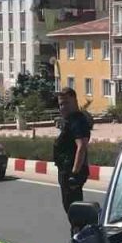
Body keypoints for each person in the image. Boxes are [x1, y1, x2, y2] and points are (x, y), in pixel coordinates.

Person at [53, 88, 92, 218]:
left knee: (74, 210)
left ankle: (79, 235)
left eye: (66, 103)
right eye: (60, 105)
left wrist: (74, 175)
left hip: (72, 172)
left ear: (75, 101)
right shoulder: (70, 121)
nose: (62, 108)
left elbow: (81, 147)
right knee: (70, 208)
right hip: (66, 170)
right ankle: (77, 233)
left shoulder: (77, 121)